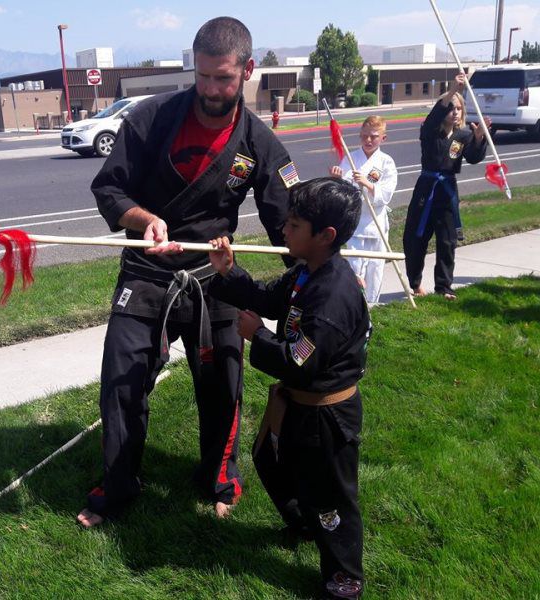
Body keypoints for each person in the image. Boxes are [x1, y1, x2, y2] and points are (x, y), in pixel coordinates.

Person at [79, 16, 298, 528]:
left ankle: (219, 476)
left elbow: (287, 226)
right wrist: (144, 218)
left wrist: (315, 279)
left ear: (248, 70)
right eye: (202, 76)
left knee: (223, 380)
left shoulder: (259, 144)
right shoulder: (151, 118)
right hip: (145, 271)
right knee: (122, 381)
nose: (210, 89)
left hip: (213, 275)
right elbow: (108, 189)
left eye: (222, 78)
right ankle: (119, 483)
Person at [208, 177, 370, 600]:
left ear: (325, 236)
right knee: (270, 459)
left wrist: (257, 336)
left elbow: (301, 361)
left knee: (332, 498)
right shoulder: (305, 274)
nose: (283, 229)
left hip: (325, 413)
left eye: (294, 224)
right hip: (298, 404)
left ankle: (344, 578)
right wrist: (228, 270)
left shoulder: (333, 295)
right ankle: (304, 523)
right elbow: (266, 296)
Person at [402, 73, 490, 300]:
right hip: (427, 188)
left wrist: (479, 138)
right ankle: (415, 283)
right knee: (416, 238)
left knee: (447, 240)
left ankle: (444, 287)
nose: (454, 111)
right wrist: (453, 90)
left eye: (458, 108)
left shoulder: (463, 135)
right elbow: (433, 118)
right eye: (450, 107)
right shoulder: (430, 131)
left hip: (447, 190)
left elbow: (472, 157)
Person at [330, 116, 397, 305]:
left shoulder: (386, 163)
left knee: (375, 269)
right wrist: (336, 179)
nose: (368, 140)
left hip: (376, 225)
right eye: (364, 136)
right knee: (354, 268)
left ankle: (372, 305)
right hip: (356, 225)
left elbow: (386, 195)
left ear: (383, 138)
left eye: (374, 137)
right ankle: (353, 306)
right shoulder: (350, 159)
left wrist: (367, 184)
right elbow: (341, 193)